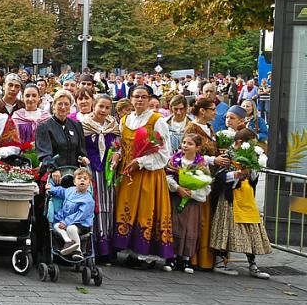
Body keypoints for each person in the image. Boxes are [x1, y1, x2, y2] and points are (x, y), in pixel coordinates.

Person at [110, 86, 174, 266]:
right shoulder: (125, 119)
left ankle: (143, 254)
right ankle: (129, 249)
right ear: (130, 98)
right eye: (136, 96)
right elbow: (120, 146)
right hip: (128, 173)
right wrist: (118, 155)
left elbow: (163, 153)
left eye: (144, 97)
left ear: (149, 99)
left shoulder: (156, 120)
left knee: (146, 210)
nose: (140, 100)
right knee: (127, 209)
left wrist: (141, 161)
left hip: (148, 174)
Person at [209, 127, 271, 278]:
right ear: (240, 142)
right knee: (225, 230)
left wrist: (251, 171)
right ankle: (219, 262)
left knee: (252, 229)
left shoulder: (251, 156)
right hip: (230, 196)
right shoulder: (227, 155)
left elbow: (254, 178)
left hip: (247, 195)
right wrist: (235, 175)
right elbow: (219, 177)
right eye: (251, 144)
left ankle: (253, 264)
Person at [80, 95, 120, 258]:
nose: (103, 110)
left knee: (107, 207)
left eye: (107, 107)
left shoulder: (114, 125)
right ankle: (91, 246)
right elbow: (80, 147)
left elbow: (118, 145)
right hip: (90, 170)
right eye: (100, 106)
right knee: (92, 205)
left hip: (108, 171)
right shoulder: (84, 124)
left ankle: (106, 249)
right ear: (94, 106)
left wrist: (118, 154)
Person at [167, 132, 211, 274]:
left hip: (191, 201)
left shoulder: (201, 164)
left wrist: (193, 193)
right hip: (176, 198)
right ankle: (171, 257)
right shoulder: (174, 160)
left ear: (197, 147)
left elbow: (206, 184)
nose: (185, 146)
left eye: (190, 144)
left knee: (189, 227)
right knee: (175, 225)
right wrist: (178, 188)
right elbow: (167, 176)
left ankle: (185, 259)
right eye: (184, 142)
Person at [35, 91, 88, 173]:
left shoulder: (76, 125)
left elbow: (80, 151)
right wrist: (54, 170)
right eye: (60, 104)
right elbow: (45, 155)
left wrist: (83, 158)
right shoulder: (44, 127)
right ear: (53, 106)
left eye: (66, 104)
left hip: (74, 172)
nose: (63, 107)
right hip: (53, 173)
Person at [47, 168, 95, 257]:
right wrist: (52, 188)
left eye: (85, 179)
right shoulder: (70, 190)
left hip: (81, 224)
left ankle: (78, 250)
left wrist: (66, 222)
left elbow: (81, 215)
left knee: (71, 228)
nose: (82, 180)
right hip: (66, 221)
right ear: (74, 182)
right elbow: (62, 191)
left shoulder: (88, 200)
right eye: (79, 178)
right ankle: (69, 242)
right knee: (56, 226)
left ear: (89, 183)